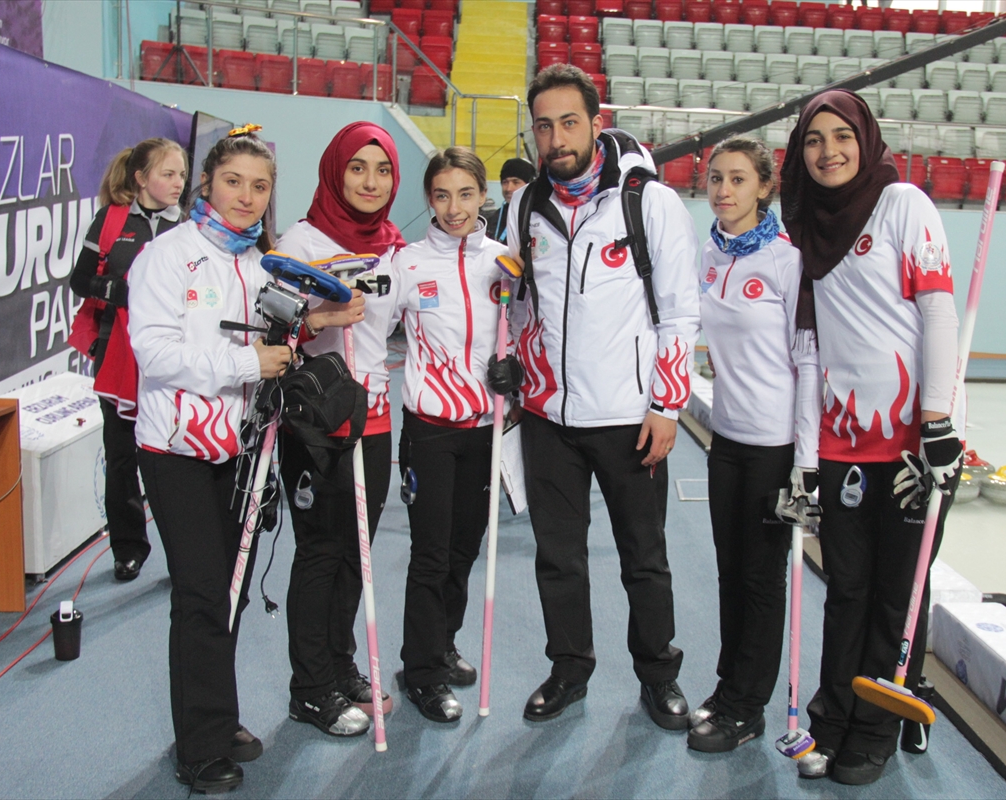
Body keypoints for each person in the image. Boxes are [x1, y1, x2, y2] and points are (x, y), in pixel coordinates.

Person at [129, 128, 362, 793]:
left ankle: (217, 717)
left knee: (228, 593)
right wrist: (244, 362)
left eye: (260, 187)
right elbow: (155, 354)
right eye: (234, 182)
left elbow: (282, 336)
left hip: (240, 450)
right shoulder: (166, 256)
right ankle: (199, 749)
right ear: (208, 183)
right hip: (174, 448)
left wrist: (321, 322)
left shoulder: (263, 264)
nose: (246, 197)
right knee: (203, 593)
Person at [491, 64, 700, 729]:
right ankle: (569, 669)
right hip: (549, 417)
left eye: (569, 122)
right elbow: (519, 305)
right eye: (544, 126)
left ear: (596, 123)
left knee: (645, 557)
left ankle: (657, 675)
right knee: (559, 556)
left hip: (630, 418)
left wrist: (667, 407)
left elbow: (679, 314)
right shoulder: (523, 207)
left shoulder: (648, 201)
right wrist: (515, 369)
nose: (556, 138)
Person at [779, 90, 962, 785]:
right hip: (842, 444)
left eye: (840, 136)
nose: (828, 152)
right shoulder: (806, 228)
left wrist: (937, 423)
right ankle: (831, 721)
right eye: (813, 140)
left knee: (895, 596)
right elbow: (810, 355)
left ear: (865, 137)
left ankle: (876, 731)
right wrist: (803, 464)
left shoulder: (903, 205)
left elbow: (938, 312)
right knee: (847, 591)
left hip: (917, 446)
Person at [687, 137, 821, 753]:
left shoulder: (786, 263)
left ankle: (748, 707)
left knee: (762, 580)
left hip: (774, 446)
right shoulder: (709, 254)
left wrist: (806, 463)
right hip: (728, 438)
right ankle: (729, 685)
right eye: (715, 178)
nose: (723, 190)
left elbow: (810, 362)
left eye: (738, 179)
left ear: (765, 187)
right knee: (730, 572)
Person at [275, 122, 403, 737]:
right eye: (358, 167)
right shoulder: (300, 241)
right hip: (314, 423)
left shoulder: (394, 245)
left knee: (357, 549)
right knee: (321, 551)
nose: (370, 181)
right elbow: (268, 330)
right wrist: (317, 316)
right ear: (335, 170)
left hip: (373, 419)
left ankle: (341, 662)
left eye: (381, 170)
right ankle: (309, 687)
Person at [392, 147, 507, 723]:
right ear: (428, 199)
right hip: (429, 431)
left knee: (464, 549)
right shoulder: (407, 263)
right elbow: (368, 331)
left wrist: (519, 370)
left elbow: (526, 330)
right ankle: (422, 673)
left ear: (483, 194)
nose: (454, 208)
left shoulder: (504, 261)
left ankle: (441, 643)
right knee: (431, 554)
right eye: (441, 195)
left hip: (485, 429)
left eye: (465, 194)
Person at [69, 138, 187, 582]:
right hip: (116, 357)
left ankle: (183, 551)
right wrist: (115, 291)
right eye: (167, 174)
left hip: (174, 361)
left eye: (181, 175)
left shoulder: (189, 227)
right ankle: (129, 548)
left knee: (175, 456)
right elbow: (80, 280)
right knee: (121, 457)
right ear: (140, 178)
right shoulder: (111, 219)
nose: (178, 184)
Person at [482, 157, 536, 243]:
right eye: (505, 182)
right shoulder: (494, 218)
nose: (508, 188)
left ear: (530, 185)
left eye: (516, 182)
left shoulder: (539, 217)